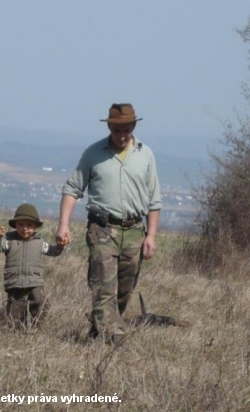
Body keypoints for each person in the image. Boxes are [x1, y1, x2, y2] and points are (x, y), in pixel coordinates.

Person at [56, 103, 162, 344]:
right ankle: (115, 337)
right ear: (109, 128)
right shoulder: (93, 153)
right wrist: (64, 224)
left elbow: (154, 200)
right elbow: (72, 189)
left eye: (126, 129)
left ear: (134, 127)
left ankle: (97, 335)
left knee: (124, 290)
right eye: (116, 130)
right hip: (102, 228)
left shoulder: (146, 155)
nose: (121, 135)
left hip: (135, 230)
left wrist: (151, 235)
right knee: (103, 286)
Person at [0, 203, 67, 330]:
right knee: (15, 310)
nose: (25, 228)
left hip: (34, 280)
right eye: (21, 225)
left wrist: (60, 246)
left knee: (40, 301)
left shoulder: (40, 243)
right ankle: (17, 331)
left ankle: (36, 326)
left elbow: (53, 252)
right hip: (15, 280)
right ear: (15, 225)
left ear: (36, 226)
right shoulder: (9, 241)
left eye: (29, 225)